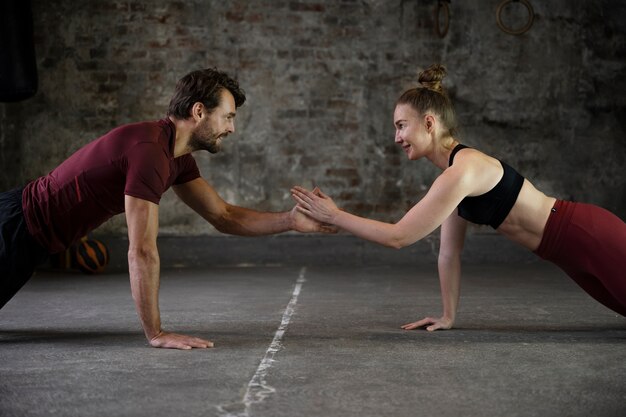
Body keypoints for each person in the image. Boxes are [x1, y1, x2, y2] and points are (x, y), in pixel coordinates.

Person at [0, 67, 334, 349]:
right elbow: (141, 250)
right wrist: (156, 333)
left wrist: (290, 220)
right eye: (228, 117)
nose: (232, 128)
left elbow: (223, 215)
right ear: (199, 111)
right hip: (13, 228)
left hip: (31, 244)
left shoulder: (176, 158)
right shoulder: (150, 153)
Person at [291, 64, 626, 331]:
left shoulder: (464, 172)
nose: (396, 138)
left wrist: (335, 215)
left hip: (585, 234)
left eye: (401, 126)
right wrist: (447, 316)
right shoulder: (452, 178)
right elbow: (449, 253)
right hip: (563, 252)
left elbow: (400, 236)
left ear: (429, 123)